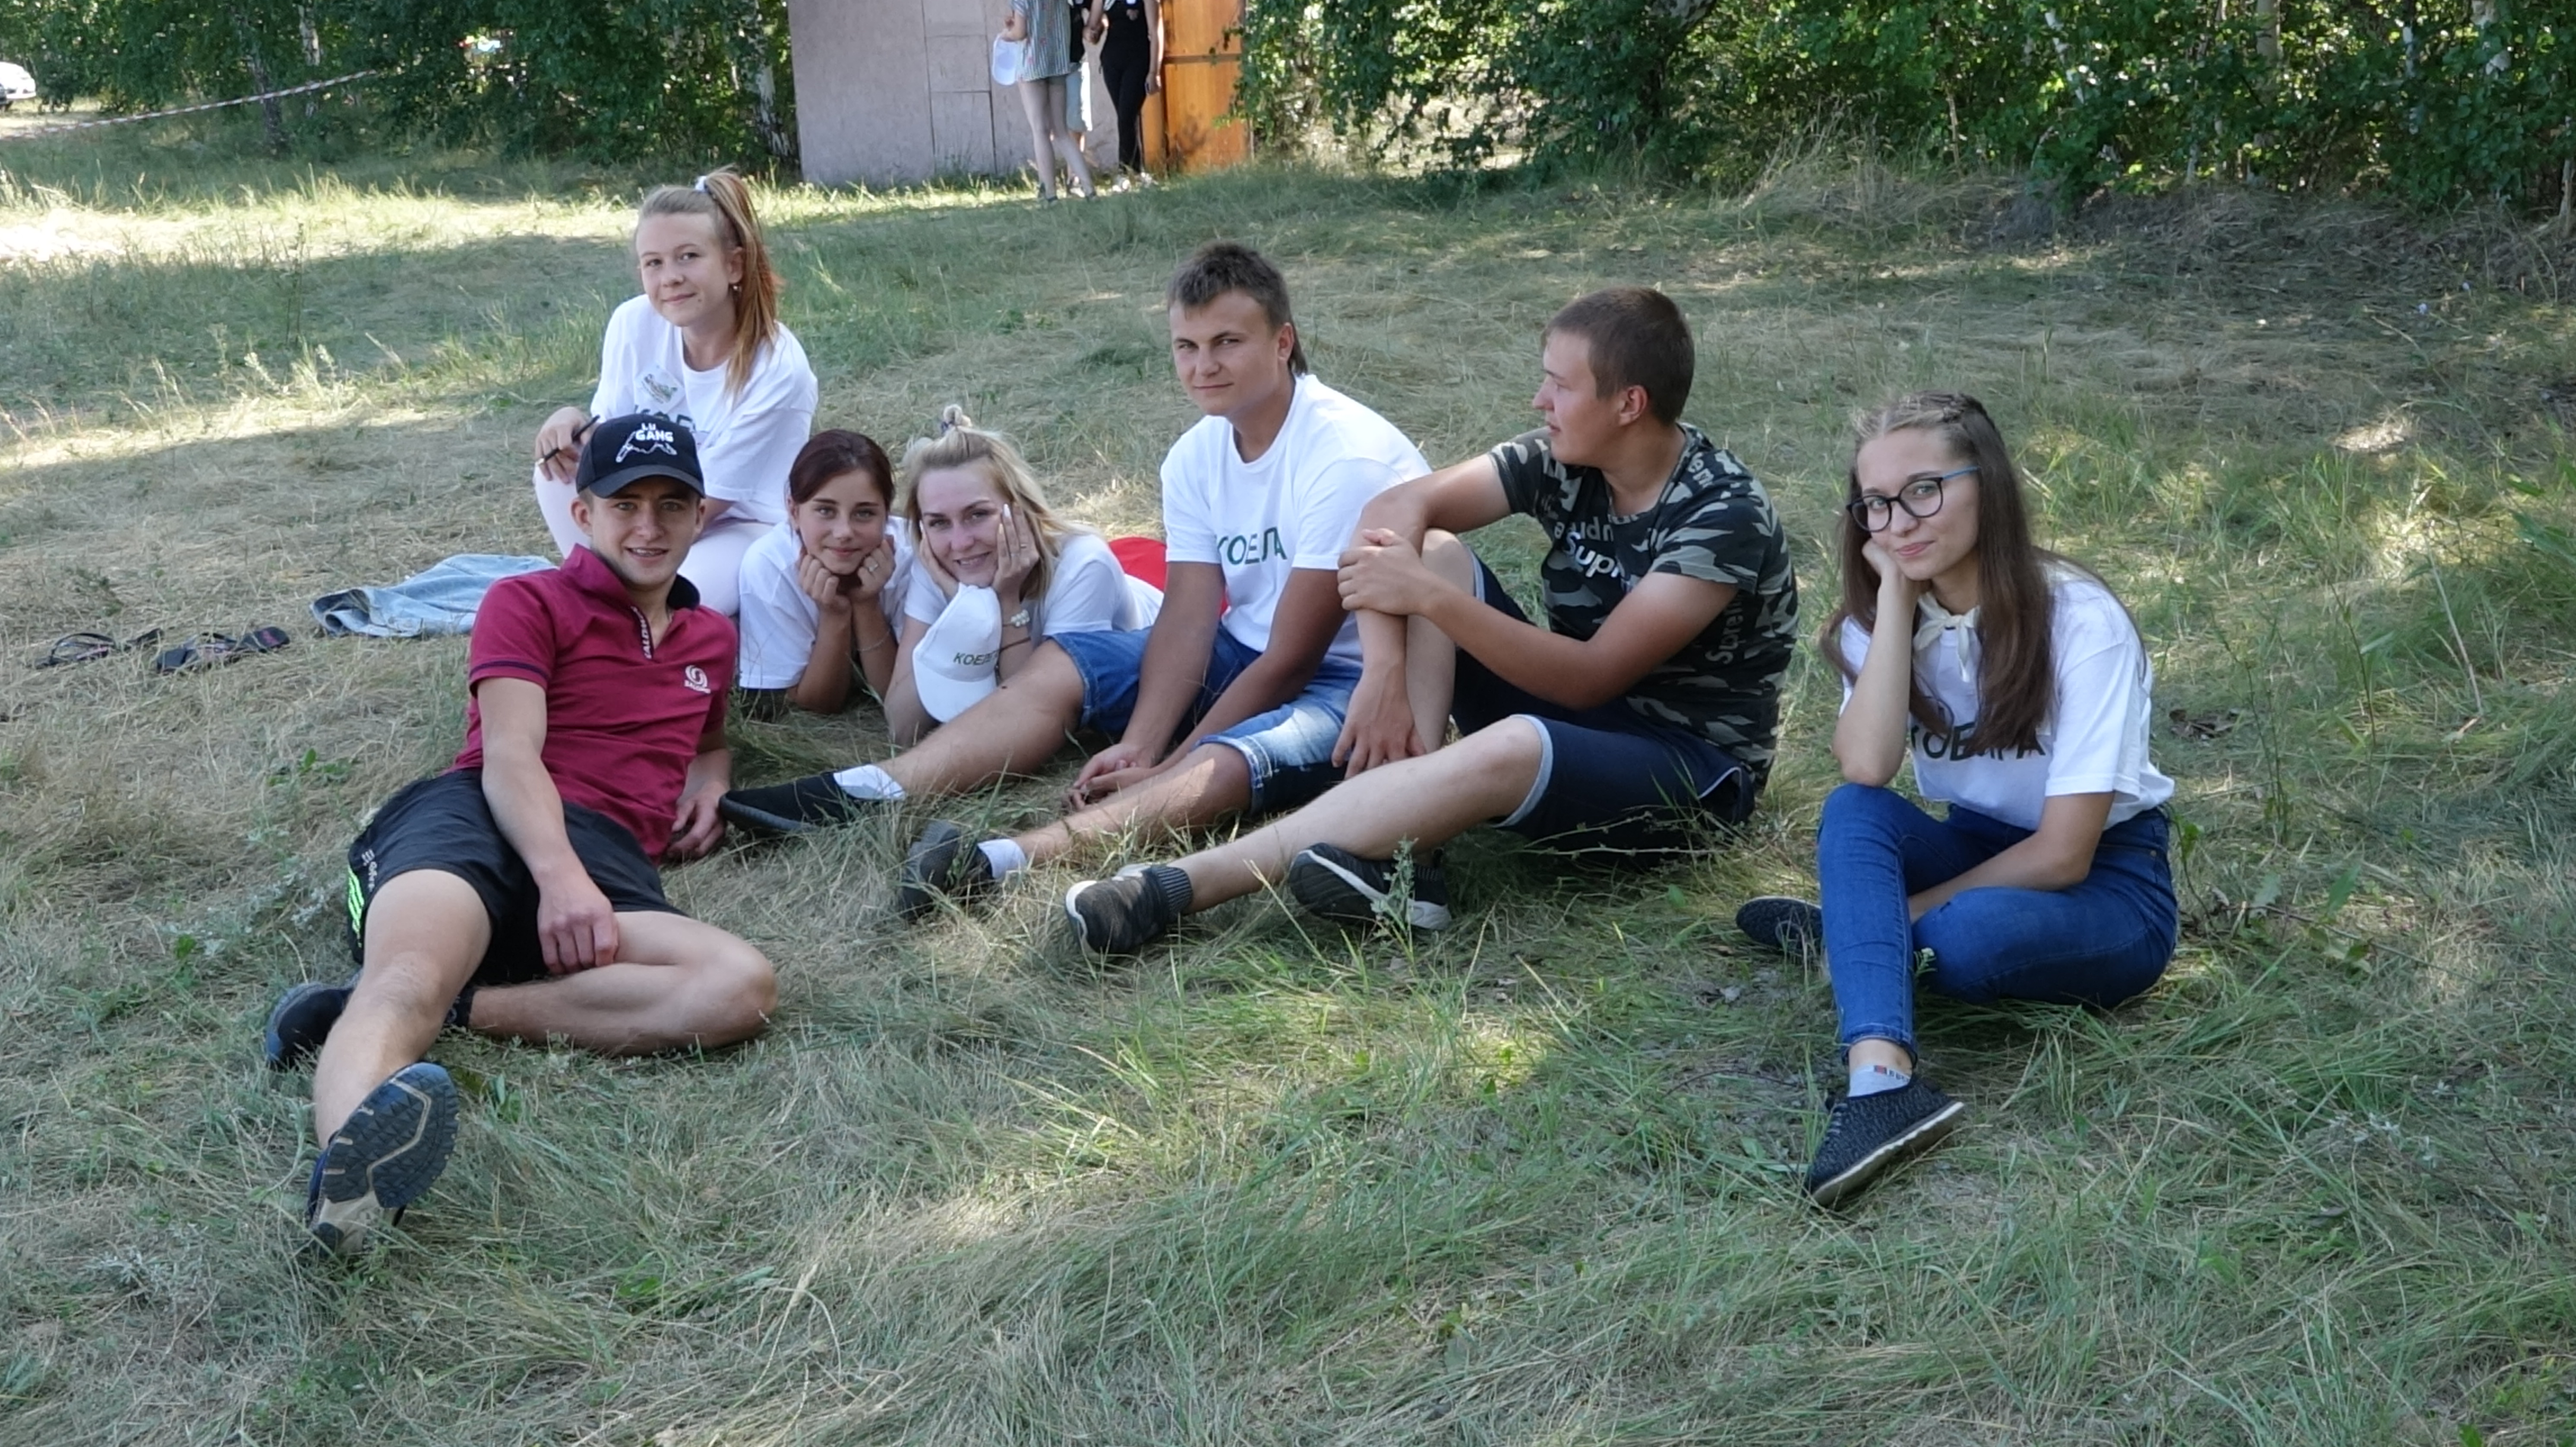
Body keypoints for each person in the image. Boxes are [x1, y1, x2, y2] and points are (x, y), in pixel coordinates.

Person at [1055, 286, 1801, 953]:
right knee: (1438, 550)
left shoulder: (1721, 515)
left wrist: (1431, 599)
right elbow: (1394, 509)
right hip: (1579, 725)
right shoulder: (1564, 459)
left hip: (1689, 775)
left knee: (1506, 718)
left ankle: (1174, 888)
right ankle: (1411, 864)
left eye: (1560, 384)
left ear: (1628, 404)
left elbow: (1590, 677)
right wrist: (1381, 672)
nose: (1538, 400)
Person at [720, 242, 1428, 924]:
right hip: (1240, 649)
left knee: (1226, 758)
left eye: (1227, 343)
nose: (1203, 365)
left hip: (1354, 681)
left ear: (1282, 342)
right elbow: (1188, 618)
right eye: (1186, 346)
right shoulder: (1195, 454)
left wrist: (1170, 763)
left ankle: (999, 859)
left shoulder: (1340, 455)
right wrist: (1143, 743)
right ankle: (867, 789)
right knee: (1067, 660)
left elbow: (1292, 657)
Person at [262, 414, 777, 1254]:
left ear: (698, 517)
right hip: (477, 815)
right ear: (583, 514)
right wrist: (560, 877)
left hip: (610, 854)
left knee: (738, 987)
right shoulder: (526, 599)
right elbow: (508, 752)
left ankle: (459, 1008)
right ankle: (346, 1195)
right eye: (625, 504)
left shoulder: (710, 638)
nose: (648, 526)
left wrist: (711, 782)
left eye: (671, 505)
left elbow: (709, 739)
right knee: (403, 981)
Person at [1733, 390, 2177, 1209]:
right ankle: (1882, 1083)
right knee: (1854, 812)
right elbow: (1866, 766)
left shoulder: (2082, 621)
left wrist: (1906, 911)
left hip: (2109, 885)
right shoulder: (1889, 617)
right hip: (1975, 842)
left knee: (1962, 937)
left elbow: (2063, 853)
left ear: (1988, 485)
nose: (1896, 522)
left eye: (1923, 491)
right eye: (1875, 504)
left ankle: (1859, 935)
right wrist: (1896, 604)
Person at [530, 170, 816, 616]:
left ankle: (600, 603)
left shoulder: (779, 368)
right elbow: (608, 445)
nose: (671, 278)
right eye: (654, 263)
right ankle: (600, 600)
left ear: (734, 265)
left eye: (688, 257)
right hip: (645, 507)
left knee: (676, 596)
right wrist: (570, 421)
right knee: (556, 468)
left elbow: (706, 505)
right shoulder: (632, 323)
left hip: (738, 524)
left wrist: (628, 547)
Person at [879, 406, 1157, 745]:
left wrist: (1008, 604)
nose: (960, 543)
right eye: (938, 522)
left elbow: (1035, 721)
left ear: (1020, 510)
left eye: (978, 515)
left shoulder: (1084, 566)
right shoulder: (936, 563)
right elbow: (902, 727)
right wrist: (965, 610)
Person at [735, 430, 912, 714]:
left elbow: (897, 697)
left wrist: (867, 605)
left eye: (864, 513)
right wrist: (834, 615)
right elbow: (816, 703)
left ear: (887, 514)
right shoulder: (769, 565)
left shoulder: (911, 557)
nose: (844, 533)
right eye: (826, 511)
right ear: (794, 512)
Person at [1004, 0, 1098, 202]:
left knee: (1041, 131)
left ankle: (1050, 193)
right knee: (1062, 132)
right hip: (1058, 64)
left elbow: (1020, 33)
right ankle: (1089, 189)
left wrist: (1006, 35)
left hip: (1032, 65)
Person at [1088, 0, 1162, 189]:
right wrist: (1093, 32)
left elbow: (1156, 33)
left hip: (1138, 59)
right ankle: (1137, 173)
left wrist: (1154, 72)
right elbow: (1092, 27)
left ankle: (1124, 173)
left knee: (1127, 116)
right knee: (1125, 118)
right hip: (1112, 61)